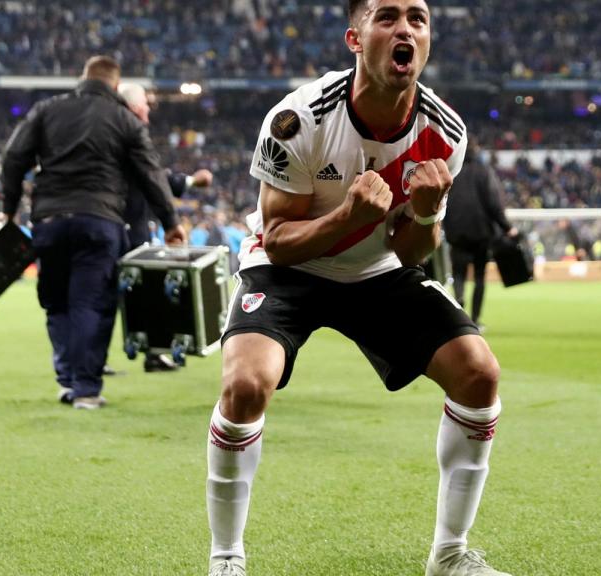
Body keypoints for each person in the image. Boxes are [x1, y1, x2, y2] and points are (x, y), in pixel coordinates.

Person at [204, 2, 510, 575]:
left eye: (417, 18)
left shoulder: (445, 133)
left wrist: (423, 216)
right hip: (289, 270)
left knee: (479, 375)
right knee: (245, 385)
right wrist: (346, 218)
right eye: (387, 16)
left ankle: (449, 556)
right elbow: (279, 239)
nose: (405, 29)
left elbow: (413, 252)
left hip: (377, 271)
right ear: (355, 37)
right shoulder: (298, 119)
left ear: (428, 40)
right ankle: (227, 560)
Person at [2, 55, 186, 409]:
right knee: (92, 303)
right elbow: (151, 173)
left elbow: (13, 157)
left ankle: (66, 380)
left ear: (82, 78)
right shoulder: (123, 119)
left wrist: (9, 210)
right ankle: (86, 389)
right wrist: (171, 223)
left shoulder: (47, 110)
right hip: (100, 221)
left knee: (57, 303)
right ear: (115, 86)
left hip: (49, 221)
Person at [117, 81, 214, 373]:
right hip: (127, 229)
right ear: (135, 108)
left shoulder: (106, 134)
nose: (148, 111)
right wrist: (190, 183)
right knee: (143, 294)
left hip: (114, 224)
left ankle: (93, 363)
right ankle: (150, 354)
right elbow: (153, 177)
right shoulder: (128, 136)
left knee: (105, 297)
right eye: (145, 105)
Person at [443, 140, 517, 329]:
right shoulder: (484, 171)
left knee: (458, 274)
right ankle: (474, 320)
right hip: (481, 233)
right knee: (479, 276)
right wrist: (507, 227)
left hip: (455, 232)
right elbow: (494, 204)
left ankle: (458, 312)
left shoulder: (452, 170)